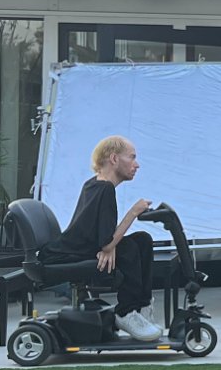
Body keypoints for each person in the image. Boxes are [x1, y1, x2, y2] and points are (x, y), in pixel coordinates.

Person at [46, 134, 163, 341]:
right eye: (132, 157)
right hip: (70, 254)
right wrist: (134, 212)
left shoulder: (94, 184)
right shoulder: (105, 189)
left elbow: (102, 235)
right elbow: (106, 242)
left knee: (142, 240)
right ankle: (126, 312)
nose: (137, 165)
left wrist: (111, 246)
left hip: (82, 247)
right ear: (114, 159)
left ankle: (142, 308)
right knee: (128, 249)